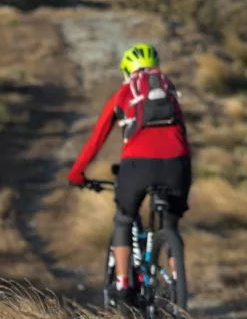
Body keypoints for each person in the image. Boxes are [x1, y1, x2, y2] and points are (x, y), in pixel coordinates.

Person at [67, 43, 192, 308]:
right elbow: (182, 132)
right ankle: (177, 282)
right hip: (177, 163)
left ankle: (123, 283)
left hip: (137, 164)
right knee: (170, 227)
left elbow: (96, 139)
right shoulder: (169, 91)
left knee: (123, 219)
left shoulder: (124, 93)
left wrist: (77, 173)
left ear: (127, 71)